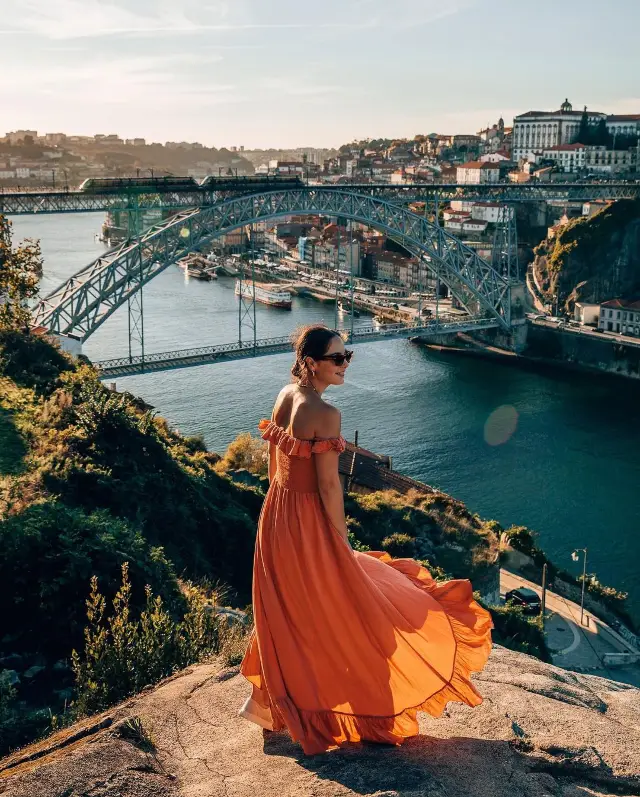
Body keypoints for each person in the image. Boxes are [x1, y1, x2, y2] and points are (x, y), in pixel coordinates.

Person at [239, 323, 492, 755]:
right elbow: (329, 487)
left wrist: (278, 504)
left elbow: (272, 462)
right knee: (347, 604)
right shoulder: (325, 413)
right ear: (311, 362)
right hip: (306, 521)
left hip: (276, 515)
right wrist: (338, 540)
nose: (345, 365)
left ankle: (270, 705)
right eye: (337, 359)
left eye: (347, 356)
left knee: (287, 609)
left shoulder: (285, 396)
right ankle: (365, 705)